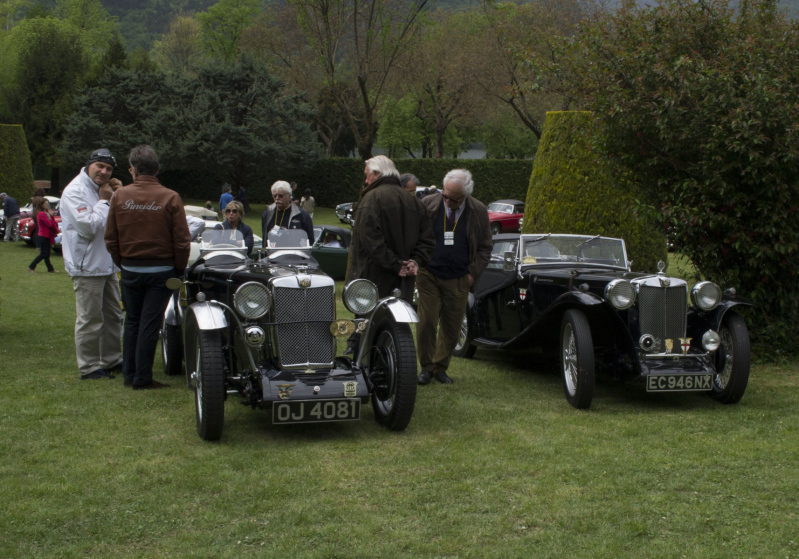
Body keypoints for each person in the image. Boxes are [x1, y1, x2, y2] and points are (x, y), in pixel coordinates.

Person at [105, 145, 191, 390]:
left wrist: (123, 262)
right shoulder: (170, 197)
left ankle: (130, 374)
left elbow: (110, 238)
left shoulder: (120, 196)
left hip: (131, 269)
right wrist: (178, 268)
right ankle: (142, 378)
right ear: (157, 170)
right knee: (150, 323)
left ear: (133, 170)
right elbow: (182, 241)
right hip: (161, 270)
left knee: (132, 320)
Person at [416, 169, 492, 385]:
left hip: (460, 277)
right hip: (429, 273)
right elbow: (414, 236)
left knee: (452, 326)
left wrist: (471, 275)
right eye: (445, 195)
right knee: (427, 321)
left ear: (466, 195)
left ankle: (440, 367)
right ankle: (426, 368)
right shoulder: (428, 204)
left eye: (454, 199)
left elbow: (485, 247)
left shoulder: (478, 210)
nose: (448, 201)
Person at [60, 148, 124, 380]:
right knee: (90, 318)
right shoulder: (74, 191)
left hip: (107, 264)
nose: (104, 172)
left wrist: (118, 195)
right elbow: (87, 227)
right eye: (100, 166)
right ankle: (88, 367)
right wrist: (105, 201)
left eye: (108, 169)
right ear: (89, 165)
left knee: (113, 316)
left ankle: (112, 359)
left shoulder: (103, 190)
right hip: (86, 266)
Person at [346, 155, 435, 304]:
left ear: (376, 174)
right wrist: (415, 261)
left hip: (372, 281)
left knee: (371, 318)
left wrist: (396, 264)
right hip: (404, 283)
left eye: (367, 175)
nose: (366, 181)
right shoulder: (415, 202)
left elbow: (370, 240)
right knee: (400, 316)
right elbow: (427, 239)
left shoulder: (371, 199)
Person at [261, 180, 314, 245]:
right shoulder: (267, 214)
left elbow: (310, 239)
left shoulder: (302, 215)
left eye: (280, 196)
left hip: (293, 250)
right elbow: (265, 238)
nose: (277, 198)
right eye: (274, 196)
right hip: (272, 250)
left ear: (289, 196)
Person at [27, 198, 59, 273]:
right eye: (46, 204)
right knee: (44, 253)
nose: (48, 205)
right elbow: (49, 224)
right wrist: (51, 217)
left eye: (48, 204)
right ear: (41, 205)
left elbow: (52, 224)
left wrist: (51, 216)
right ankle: (31, 267)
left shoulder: (46, 213)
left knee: (47, 253)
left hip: (46, 235)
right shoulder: (41, 214)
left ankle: (50, 269)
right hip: (43, 235)